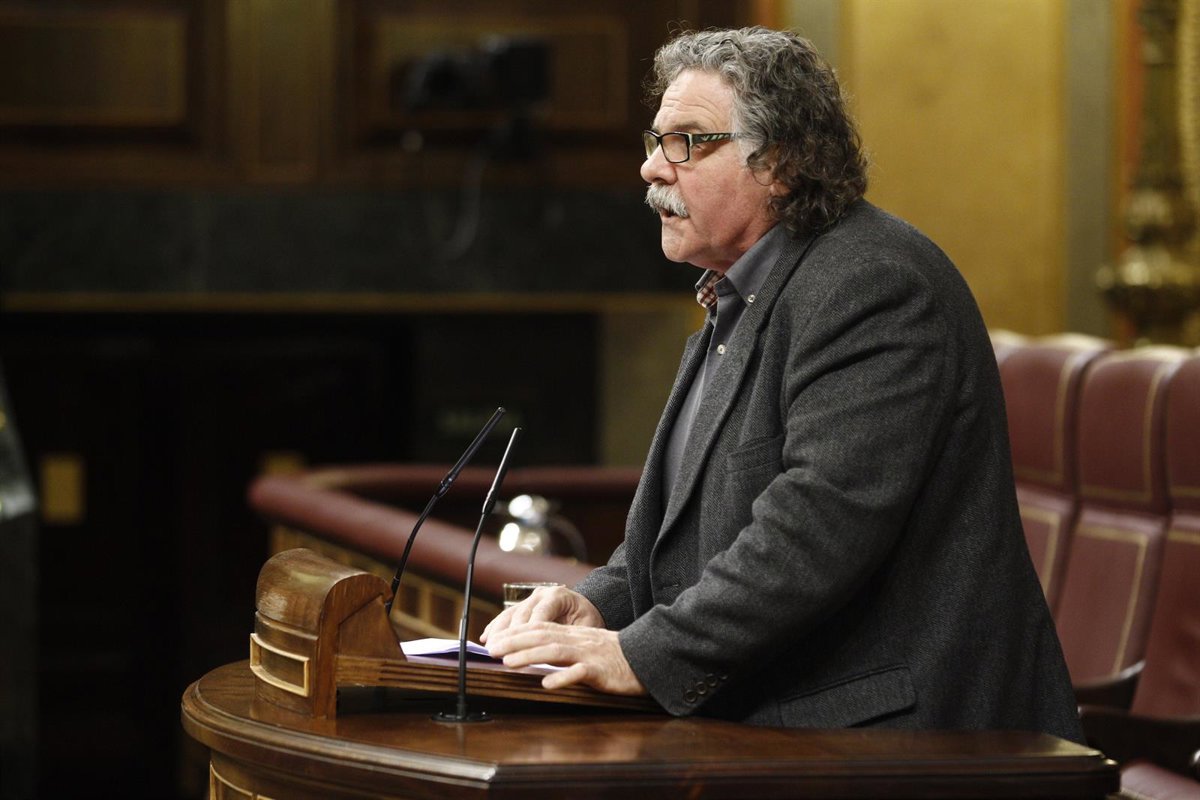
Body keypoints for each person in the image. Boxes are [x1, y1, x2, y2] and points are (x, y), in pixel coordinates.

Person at [482, 26, 1082, 740]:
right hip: (789, 724)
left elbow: (817, 528)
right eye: (655, 141)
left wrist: (641, 655)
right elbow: (692, 530)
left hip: (907, 744)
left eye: (687, 143)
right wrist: (602, 607)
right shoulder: (741, 293)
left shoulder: (872, 286)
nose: (651, 168)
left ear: (781, 164)